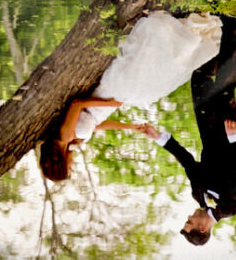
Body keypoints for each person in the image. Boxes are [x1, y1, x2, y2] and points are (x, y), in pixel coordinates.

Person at [39, 11, 224, 182]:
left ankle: (180, 33)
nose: (73, 166)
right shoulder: (71, 141)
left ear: (61, 165)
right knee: (154, 78)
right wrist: (130, 127)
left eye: (69, 169)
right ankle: (188, 36)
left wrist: (107, 102)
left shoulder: (64, 137)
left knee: (149, 70)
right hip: (111, 102)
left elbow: (77, 104)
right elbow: (98, 125)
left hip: (107, 95)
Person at [135, 15, 236, 246]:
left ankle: (223, 39)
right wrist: (235, 139)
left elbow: (187, 161)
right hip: (229, 134)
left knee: (200, 78)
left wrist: (160, 138)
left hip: (207, 128)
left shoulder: (198, 195)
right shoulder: (230, 207)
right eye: (190, 222)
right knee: (227, 81)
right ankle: (233, 25)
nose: (188, 217)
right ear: (203, 228)